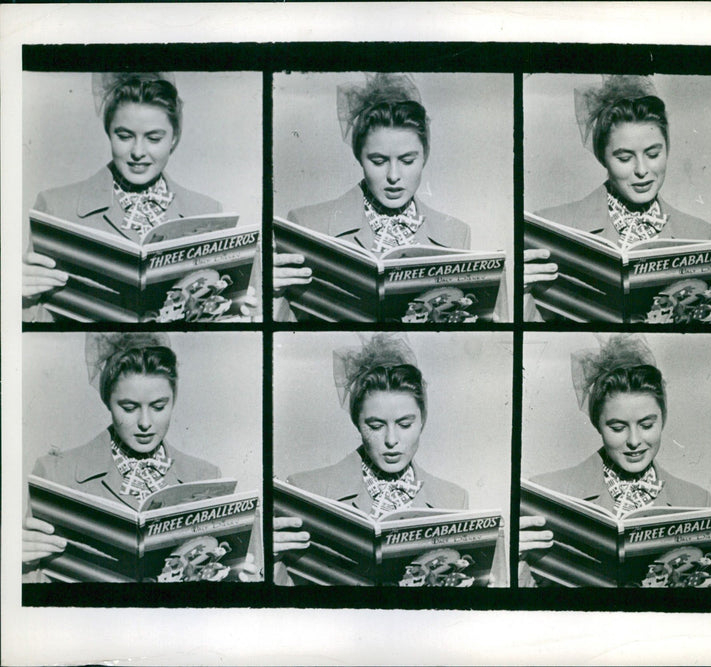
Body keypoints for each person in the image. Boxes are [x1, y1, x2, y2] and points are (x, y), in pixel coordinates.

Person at [22, 332, 262, 582]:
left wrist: (239, 580)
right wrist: (16, 564)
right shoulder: (54, 474)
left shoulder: (206, 476)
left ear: (173, 400)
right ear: (107, 401)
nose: (145, 423)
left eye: (159, 407)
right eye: (129, 407)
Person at [23, 72, 259, 322]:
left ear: (174, 139)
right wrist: (22, 299)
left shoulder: (209, 211)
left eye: (154, 138)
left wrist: (241, 314)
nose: (137, 151)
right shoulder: (55, 206)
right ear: (109, 133)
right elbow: (34, 318)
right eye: (124, 136)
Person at [274, 333, 506, 586]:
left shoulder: (453, 499)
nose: (391, 440)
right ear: (358, 424)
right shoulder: (305, 489)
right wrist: (271, 558)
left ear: (422, 421)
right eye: (375, 426)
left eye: (405, 424)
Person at [518, 334, 711, 587]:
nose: (634, 440)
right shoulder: (547, 492)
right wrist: (516, 560)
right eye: (618, 428)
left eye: (647, 425)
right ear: (598, 425)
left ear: (663, 419)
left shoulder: (695, 500)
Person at [273, 73, 506, 322]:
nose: (394, 176)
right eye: (378, 160)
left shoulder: (456, 234)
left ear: (424, 156)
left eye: (407, 160)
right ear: (359, 158)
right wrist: (273, 294)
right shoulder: (307, 224)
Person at [523, 75, 711, 323]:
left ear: (667, 148)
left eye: (654, 154)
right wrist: (523, 292)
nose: (642, 170)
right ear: (603, 158)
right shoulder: (551, 227)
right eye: (624, 158)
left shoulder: (701, 233)